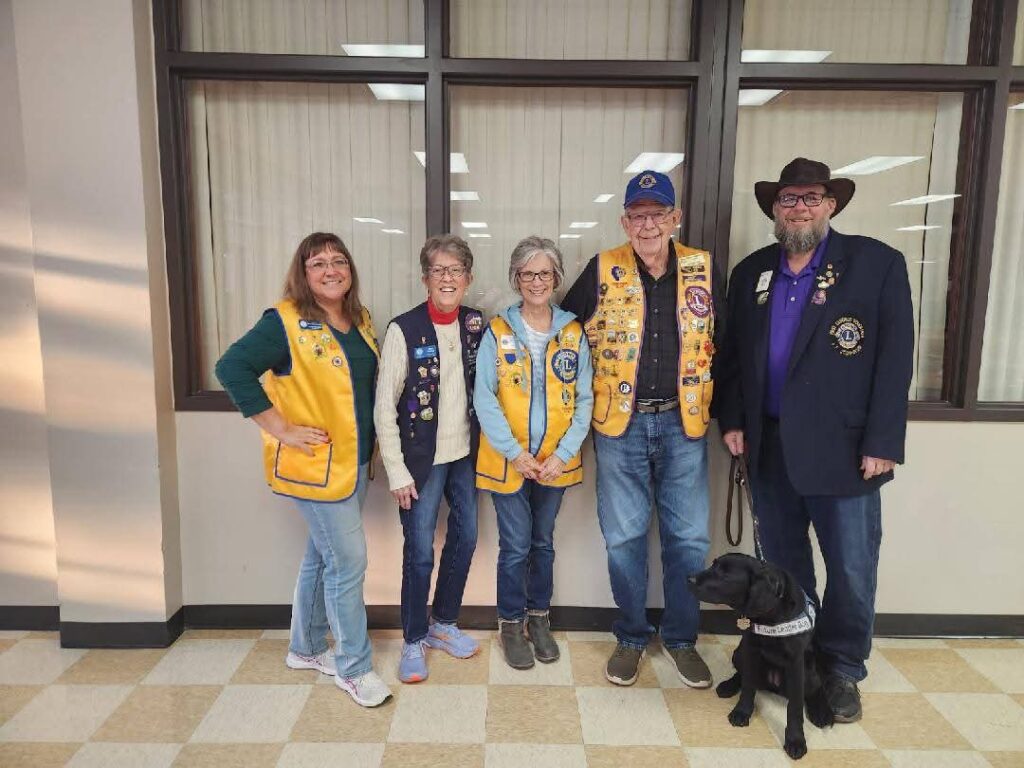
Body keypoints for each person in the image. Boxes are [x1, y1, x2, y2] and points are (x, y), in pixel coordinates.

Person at [716, 157, 914, 722]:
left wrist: (883, 440)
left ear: (831, 204)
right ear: (774, 210)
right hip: (768, 446)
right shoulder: (752, 270)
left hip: (846, 452)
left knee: (851, 566)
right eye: (788, 199)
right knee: (782, 566)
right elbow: (732, 361)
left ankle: (845, 669)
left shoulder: (875, 265)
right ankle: (792, 657)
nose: (799, 208)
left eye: (810, 198)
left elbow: (893, 362)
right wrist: (733, 420)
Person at [214, 232, 392, 708]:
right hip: (312, 467)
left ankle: (306, 648)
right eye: (318, 263)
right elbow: (231, 368)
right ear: (303, 272)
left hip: (352, 462)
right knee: (348, 562)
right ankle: (354, 669)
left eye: (339, 261)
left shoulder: (359, 319)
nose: (330, 269)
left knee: (323, 555)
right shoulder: (284, 322)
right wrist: (280, 428)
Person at [562, 170, 723, 687]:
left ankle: (680, 638)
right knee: (624, 537)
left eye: (658, 214)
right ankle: (631, 636)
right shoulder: (602, 268)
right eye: (638, 215)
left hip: (684, 423)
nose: (647, 224)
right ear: (624, 222)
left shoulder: (702, 269)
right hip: (619, 426)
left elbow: (732, 345)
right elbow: (566, 338)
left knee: (690, 540)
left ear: (675, 219)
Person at [474, 236, 594, 670]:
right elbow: (484, 397)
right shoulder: (498, 331)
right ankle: (510, 623)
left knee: (542, 543)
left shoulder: (573, 331)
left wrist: (561, 454)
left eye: (544, 273)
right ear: (516, 278)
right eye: (528, 274)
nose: (536, 281)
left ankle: (538, 618)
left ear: (557, 278)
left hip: (554, 463)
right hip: (509, 461)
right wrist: (515, 453)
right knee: (516, 545)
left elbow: (585, 400)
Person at [374, 234, 484, 684]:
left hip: (465, 455)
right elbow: (385, 405)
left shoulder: (477, 324)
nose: (447, 278)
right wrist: (396, 471)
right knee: (419, 552)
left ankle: (443, 622)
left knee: (467, 537)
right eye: (439, 270)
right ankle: (414, 637)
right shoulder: (404, 328)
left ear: (468, 279)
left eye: (455, 271)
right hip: (421, 461)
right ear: (425, 278)